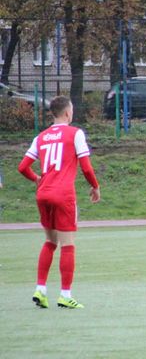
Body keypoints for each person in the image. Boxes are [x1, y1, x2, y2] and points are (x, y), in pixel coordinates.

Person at [17, 96, 100, 309]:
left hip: (43, 194)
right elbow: (87, 167)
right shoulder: (75, 134)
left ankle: (41, 289)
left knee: (50, 242)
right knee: (68, 244)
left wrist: (37, 179)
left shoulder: (41, 137)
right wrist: (95, 186)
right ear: (67, 113)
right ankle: (65, 294)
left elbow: (22, 167)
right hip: (63, 194)